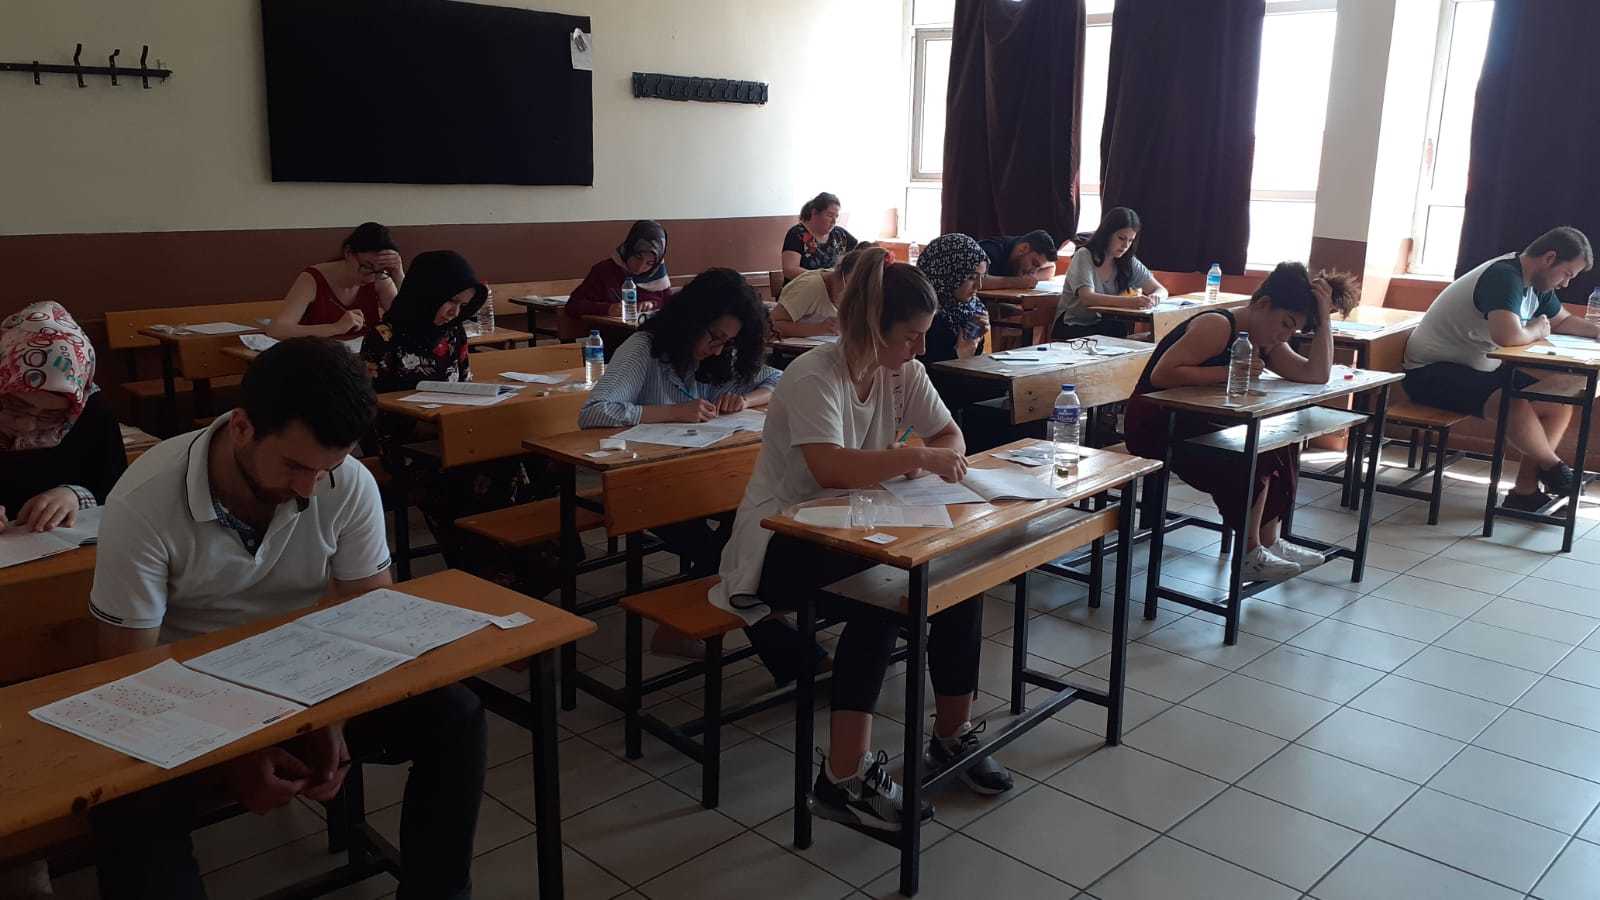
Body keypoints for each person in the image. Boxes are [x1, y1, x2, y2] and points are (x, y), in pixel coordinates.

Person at [86, 337, 485, 900]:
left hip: (307, 680)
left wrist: (332, 718)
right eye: (295, 465)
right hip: (188, 695)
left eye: (327, 468)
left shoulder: (344, 482)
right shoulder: (145, 501)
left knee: (456, 716)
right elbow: (130, 670)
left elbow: (373, 621)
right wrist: (237, 752)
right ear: (242, 427)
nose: (308, 487)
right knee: (122, 799)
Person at [712, 246, 1011, 831]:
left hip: (862, 523)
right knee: (884, 593)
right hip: (779, 539)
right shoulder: (813, 375)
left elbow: (950, 437)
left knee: (957, 579)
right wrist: (912, 458)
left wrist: (925, 457)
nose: (919, 348)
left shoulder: (904, 372)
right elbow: (830, 468)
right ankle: (843, 775)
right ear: (873, 328)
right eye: (910, 336)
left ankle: (952, 735)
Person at [579, 268, 782, 657]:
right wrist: (672, 412)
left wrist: (745, 399)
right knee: (726, 550)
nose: (718, 349)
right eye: (714, 337)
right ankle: (784, 653)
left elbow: (778, 380)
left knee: (747, 528)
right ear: (692, 320)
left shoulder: (721, 357)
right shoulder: (645, 348)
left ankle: (682, 630)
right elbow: (595, 411)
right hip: (644, 483)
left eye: (728, 342)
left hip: (702, 479)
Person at [1124, 263, 1358, 581]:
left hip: (1197, 423)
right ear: (1263, 305)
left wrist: (1324, 319)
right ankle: (1249, 552)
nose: (1285, 336)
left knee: (1282, 442)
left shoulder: (1264, 340)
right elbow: (1162, 375)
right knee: (1251, 454)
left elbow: (1315, 374)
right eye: (1285, 324)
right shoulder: (1218, 326)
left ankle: (1269, 541)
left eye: (1293, 331)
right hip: (1156, 426)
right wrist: (1228, 372)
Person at [363, 250, 540, 569]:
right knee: (471, 475)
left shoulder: (454, 331)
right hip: (406, 444)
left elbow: (465, 383)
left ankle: (530, 564)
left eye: (462, 305)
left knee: (518, 460)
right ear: (427, 293)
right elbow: (372, 409)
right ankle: (484, 568)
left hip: (455, 431)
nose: (454, 312)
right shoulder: (383, 337)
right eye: (450, 302)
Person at [1403, 226, 1596, 511]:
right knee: (1511, 402)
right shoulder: (1504, 276)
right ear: (1549, 258)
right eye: (1566, 274)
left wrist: (1596, 331)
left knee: (1557, 404)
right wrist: (1535, 330)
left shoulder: (1537, 283)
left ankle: (1525, 492)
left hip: (1478, 366)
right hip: (1431, 372)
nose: (1565, 284)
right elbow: (1507, 336)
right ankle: (1555, 469)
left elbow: (1563, 321)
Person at [0, 301, 126, 532]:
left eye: (52, 415)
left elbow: (116, 488)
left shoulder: (92, 410)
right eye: (16, 405)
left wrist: (75, 495)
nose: (28, 426)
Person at [265, 222, 404, 340]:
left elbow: (409, 321)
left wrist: (398, 274)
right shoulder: (313, 279)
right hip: (321, 356)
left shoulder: (380, 278)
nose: (371, 277)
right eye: (367, 267)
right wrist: (335, 328)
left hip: (363, 358)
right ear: (348, 252)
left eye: (380, 270)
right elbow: (277, 329)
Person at [1055, 207, 1168, 339]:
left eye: (1130, 240)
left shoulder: (1128, 261)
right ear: (1107, 234)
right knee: (1126, 334)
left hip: (1103, 325)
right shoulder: (1084, 255)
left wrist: (1154, 298)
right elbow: (1087, 298)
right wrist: (1130, 302)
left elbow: (1161, 290)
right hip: (1074, 326)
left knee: (1138, 334)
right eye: (1121, 238)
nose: (1125, 246)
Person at [562, 220, 672, 323]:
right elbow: (573, 305)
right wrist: (608, 309)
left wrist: (653, 304)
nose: (640, 267)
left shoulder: (658, 276)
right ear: (629, 249)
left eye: (649, 263)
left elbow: (672, 307)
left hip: (647, 334)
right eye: (638, 257)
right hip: (612, 334)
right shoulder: (604, 271)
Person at [770, 243, 876, 338]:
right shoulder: (809, 287)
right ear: (838, 273)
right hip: (793, 351)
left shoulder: (861, 291)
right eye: (849, 286)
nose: (851, 295)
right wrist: (819, 328)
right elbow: (771, 324)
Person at [917, 233, 991, 364]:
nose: (979, 286)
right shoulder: (924, 313)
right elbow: (927, 369)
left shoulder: (970, 309)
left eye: (982, 277)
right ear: (947, 274)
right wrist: (961, 353)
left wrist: (975, 338)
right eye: (971, 277)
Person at [781, 192, 859, 281]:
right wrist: (825, 277)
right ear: (814, 213)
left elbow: (861, 252)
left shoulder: (840, 234)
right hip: (803, 287)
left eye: (836, 217)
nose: (834, 221)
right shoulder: (797, 234)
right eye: (830, 215)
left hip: (833, 287)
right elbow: (790, 270)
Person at [977, 229, 1059, 289]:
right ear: (1023, 248)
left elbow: (1051, 267)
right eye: (1034, 263)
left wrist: (1030, 279)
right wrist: (1017, 282)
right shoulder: (990, 249)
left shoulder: (1026, 251)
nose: (1034, 270)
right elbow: (976, 280)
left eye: (1038, 267)